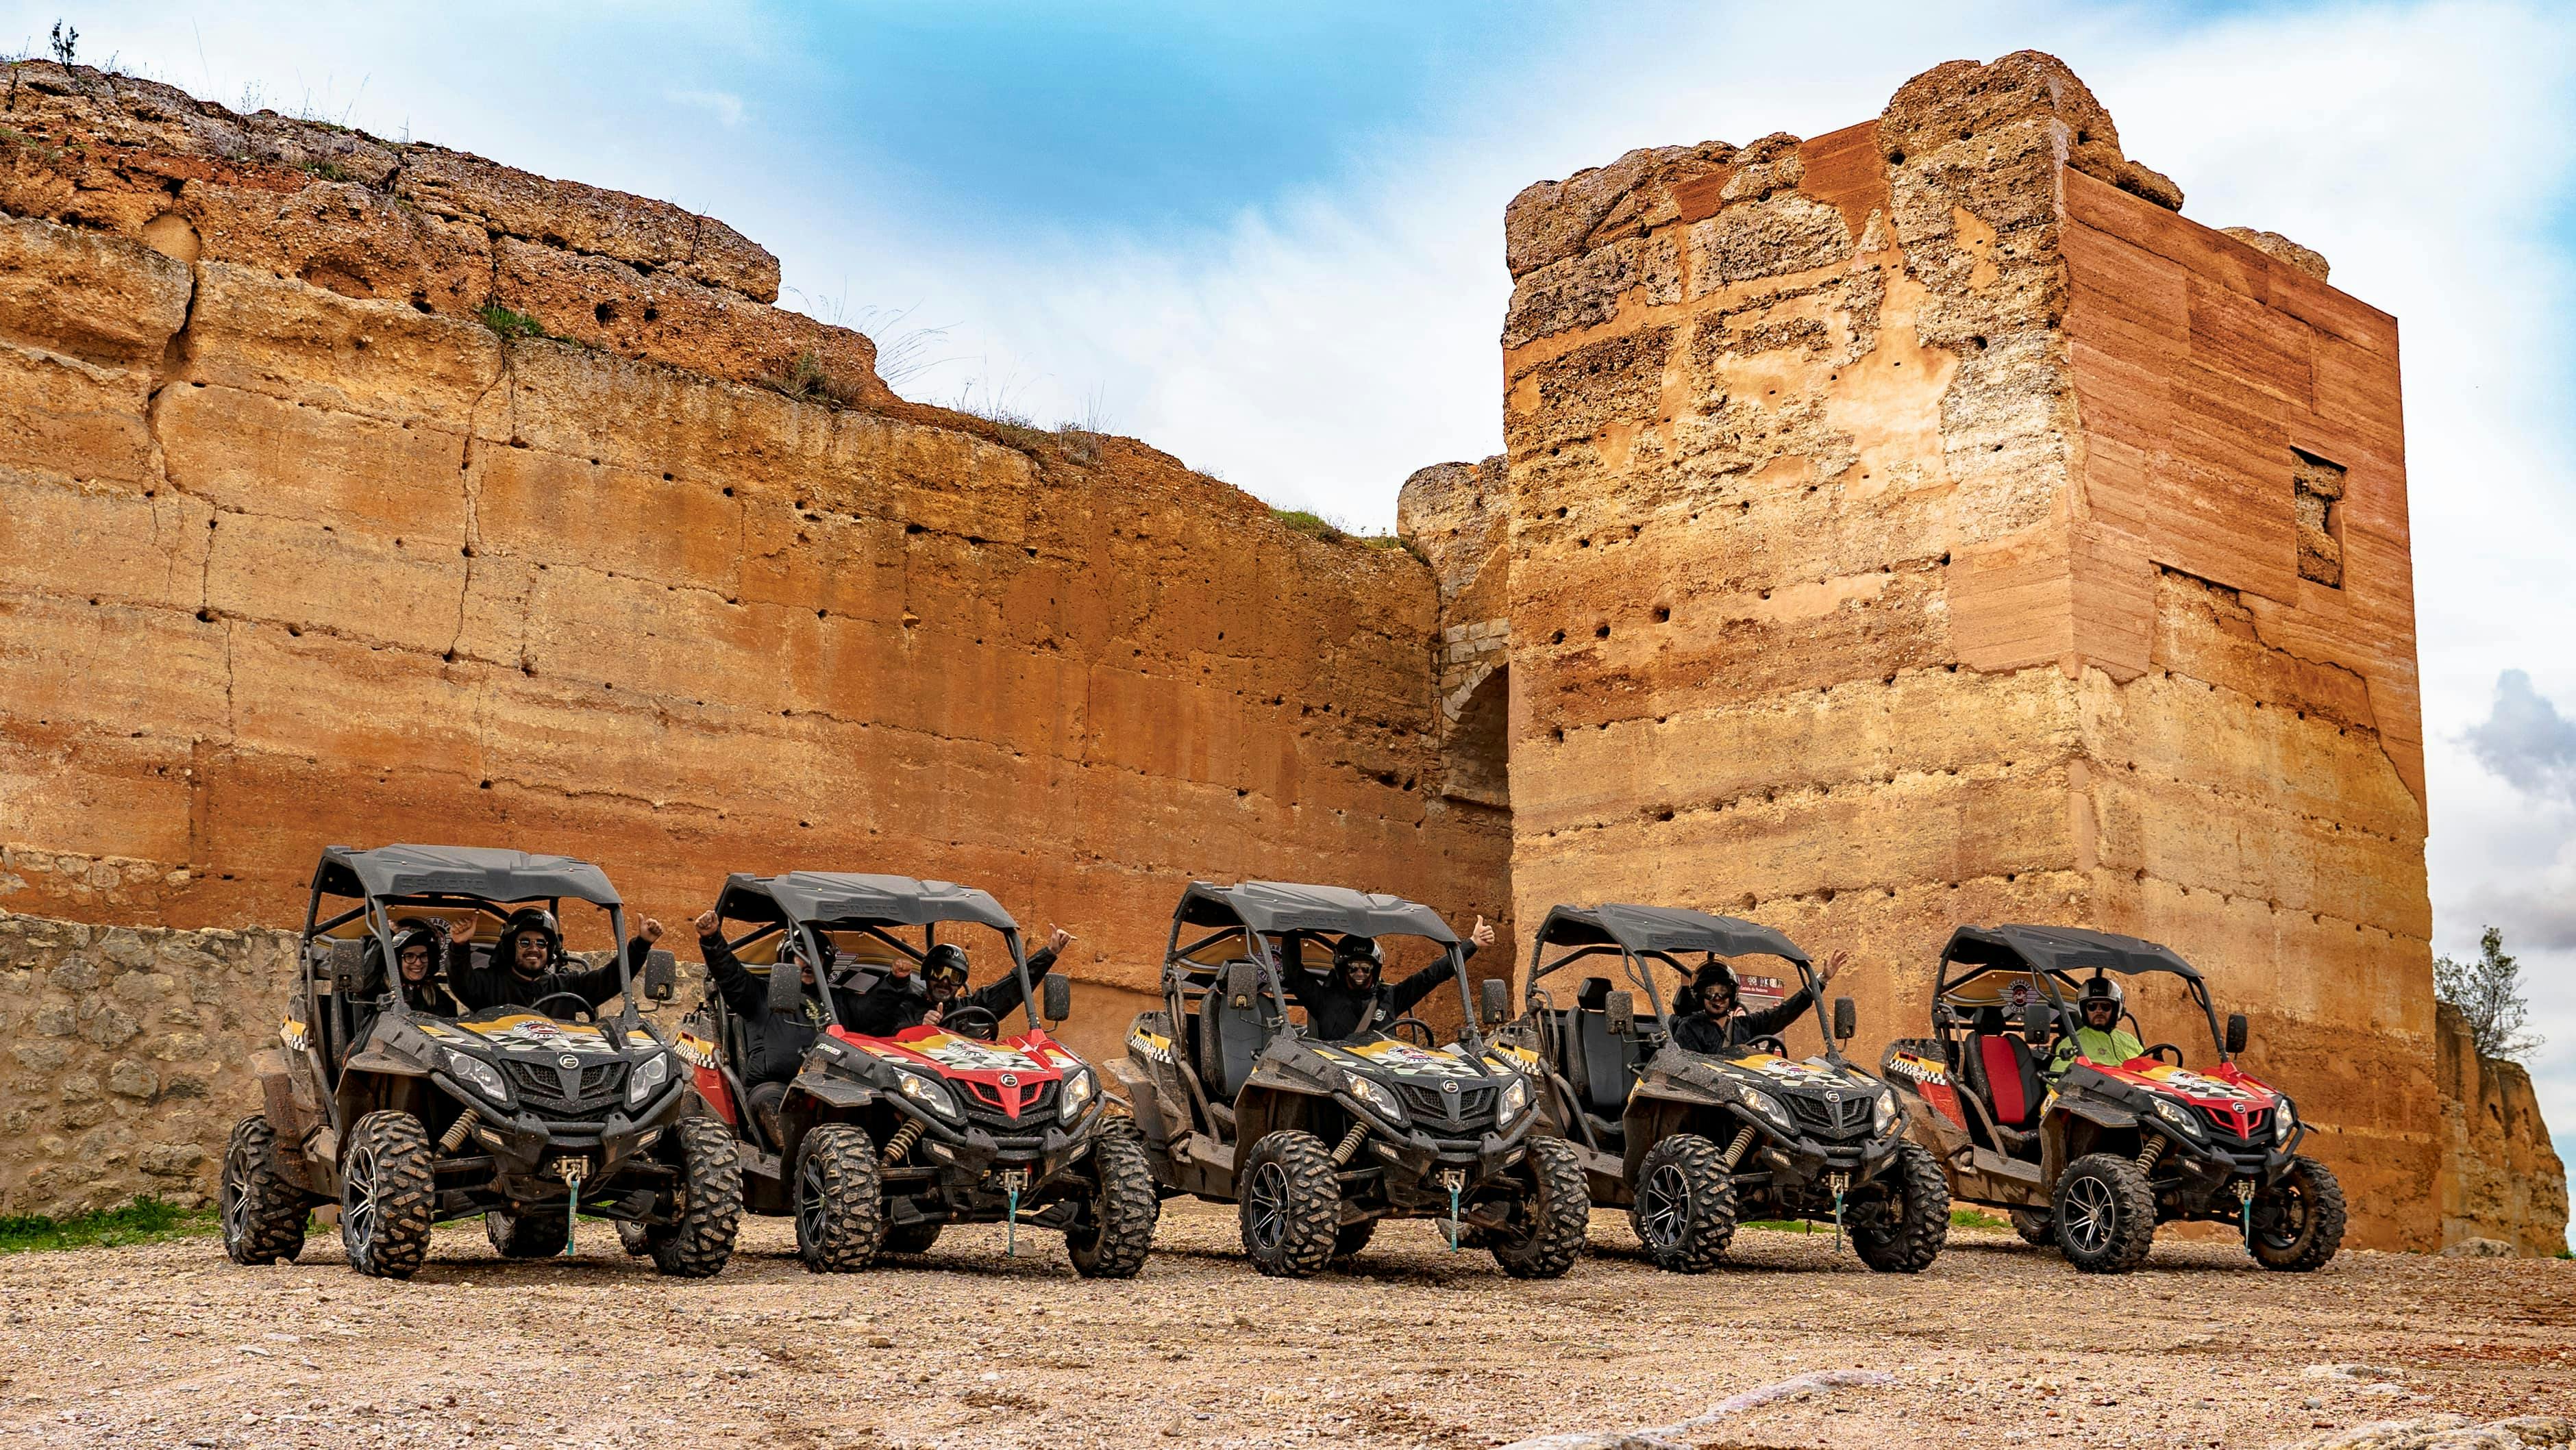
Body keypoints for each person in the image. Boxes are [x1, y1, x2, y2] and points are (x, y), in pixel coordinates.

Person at [1280, 916, 1496, 1042]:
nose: (1360, 973)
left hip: (1384, 1087)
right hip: (1337, 1089)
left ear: (1375, 969)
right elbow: (1294, 974)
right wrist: (1289, 929)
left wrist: (1472, 943)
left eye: (1366, 967)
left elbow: (1432, 976)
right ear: (1342, 968)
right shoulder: (1322, 999)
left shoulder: (1390, 996)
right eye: (1353, 967)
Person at [450, 905, 662, 1016]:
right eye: (524, 942)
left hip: (561, 1075)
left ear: (550, 950)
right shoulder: (489, 983)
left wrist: (641, 945)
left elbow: (610, 979)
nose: (533, 949)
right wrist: (459, 946)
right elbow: (462, 983)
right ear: (510, 947)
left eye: (541, 944)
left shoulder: (566, 986)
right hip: (498, 1079)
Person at [1667, 950, 1848, 1055]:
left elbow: (1785, 1013)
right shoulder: (1689, 1028)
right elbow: (1689, 1070)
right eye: (1710, 992)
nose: (1717, 998)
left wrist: (1822, 980)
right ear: (1699, 996)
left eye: (1723, 992)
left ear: (1733, 995)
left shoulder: (1745, 1025)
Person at [2049, 975, 2145, 1074]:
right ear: (2083, 1010)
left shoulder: (2130, 1041)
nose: (2099, 1011)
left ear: (2117, 1010)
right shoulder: (2072, 1044)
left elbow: (2150, 1071)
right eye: (2092, 1006)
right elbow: (2057, 1080)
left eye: (2105, 1006)